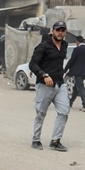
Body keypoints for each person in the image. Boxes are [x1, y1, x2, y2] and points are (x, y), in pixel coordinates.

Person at [29, 20, 70, 152]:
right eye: (58, 30)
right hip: (44, 85)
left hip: (59, 84)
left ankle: (55, 141)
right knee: (41, 113)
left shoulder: (64, 45)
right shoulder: (44, 46)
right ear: (52, 31)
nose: (60, 33)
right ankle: (36, 139)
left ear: (65, 32)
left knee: (64, 111)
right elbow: (33, 64)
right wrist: (44, 75)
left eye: (62, 30)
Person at [65, 37, 85, 110]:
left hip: (78, 72)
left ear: (77, 42)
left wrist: (65, 69)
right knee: (76, 87)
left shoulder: (77, 49)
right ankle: (70, 102)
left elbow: (72, 60)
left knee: (80, 88)